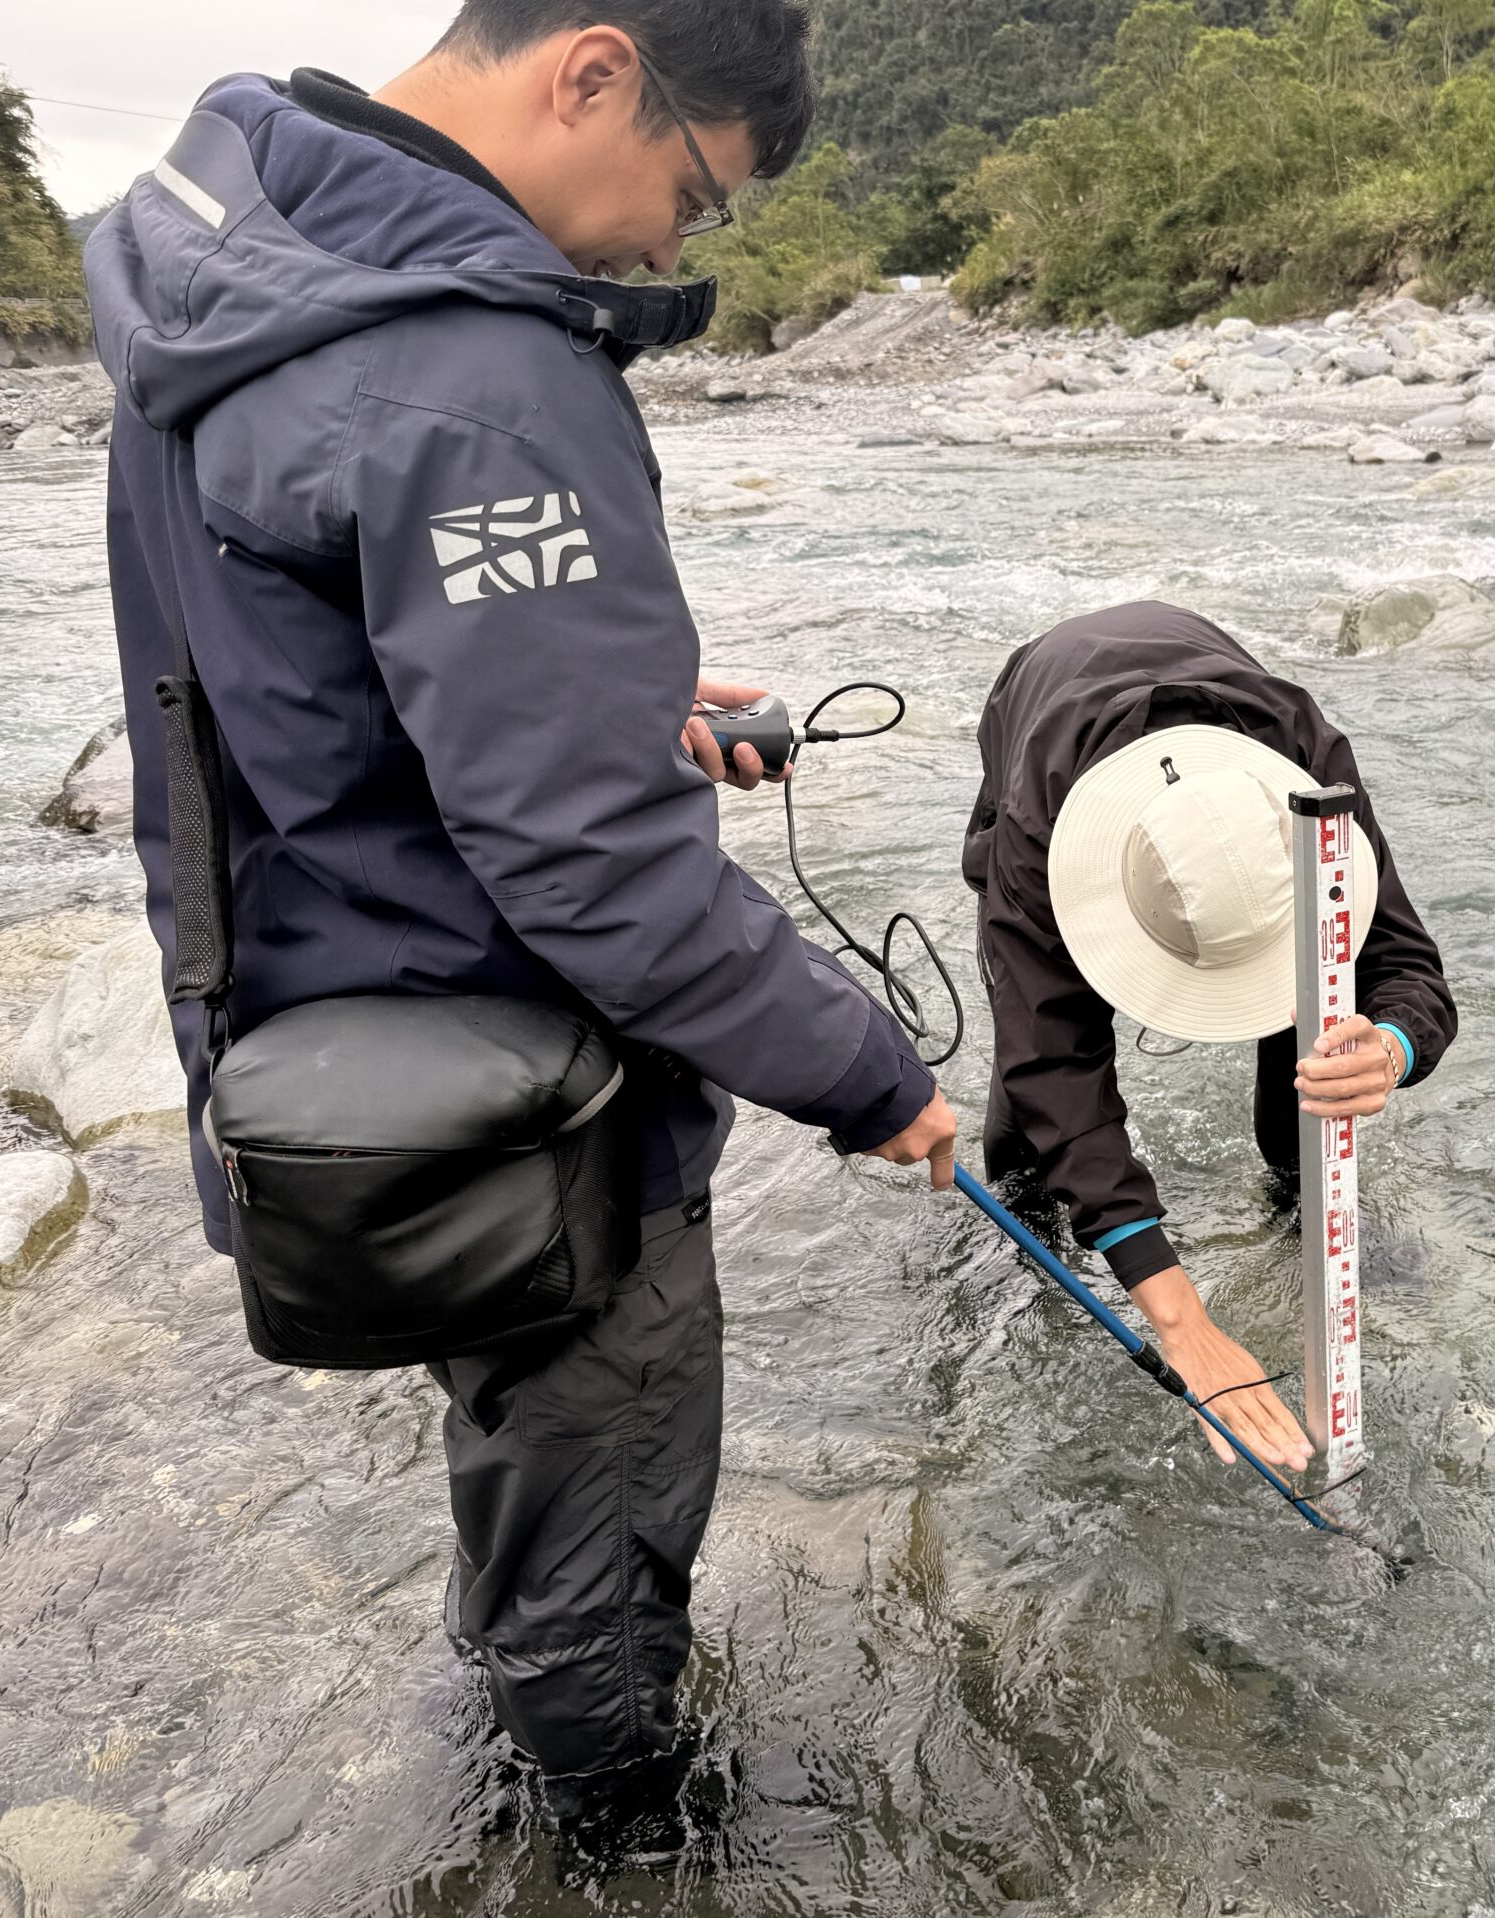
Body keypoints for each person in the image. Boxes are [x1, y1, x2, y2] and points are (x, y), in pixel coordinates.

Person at [82, 0, 957, 1805]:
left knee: (515, 1445)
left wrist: (603, 706)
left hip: (326, 1032)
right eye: (695, 196)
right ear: (591, 72)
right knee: (596, 1492)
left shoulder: (224, 255)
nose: (663, 247)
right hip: (529, 1099)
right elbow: (598, 878)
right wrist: (872, 1077)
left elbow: (279, 670)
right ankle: (618, 1825)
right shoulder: (474, 373)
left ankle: (512, 1731)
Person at [964, 602, 1458, 1472]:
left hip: (1216, 691)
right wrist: (1181, 1320)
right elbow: (1055, 1068)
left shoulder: (1308, 773)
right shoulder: (1035, 844)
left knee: (1319, 1030)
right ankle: (1025, 1223)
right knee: (1028, 1117)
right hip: (1037, 707)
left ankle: (1294, 1194)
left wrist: (1390, 1046)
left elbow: (1409, 965)